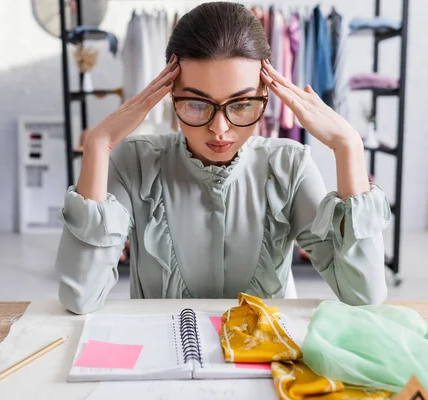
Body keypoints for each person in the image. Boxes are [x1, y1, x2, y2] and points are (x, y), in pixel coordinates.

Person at [56, 2, 391, 314]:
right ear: (171, 95)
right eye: (197, 104)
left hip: (265, 367)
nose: (220, 128)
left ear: (265, 96)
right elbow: (80, 297)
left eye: (241, 105)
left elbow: (364, 295)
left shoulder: (290, 166)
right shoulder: (135, 162)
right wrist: (98, 145)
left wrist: (348, 146)